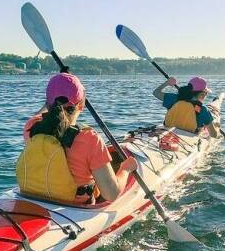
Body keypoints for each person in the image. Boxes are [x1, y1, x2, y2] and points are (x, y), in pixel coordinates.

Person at [17, 73, 137, 204]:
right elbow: (111, 194)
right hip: (76, 208)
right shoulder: (90, 139)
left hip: (34, 199)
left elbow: (40, 114)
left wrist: (53, 98)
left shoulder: (31, 127)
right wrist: (126, 168)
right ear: (82, 105)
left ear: (48, 103)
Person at [153, 76, 219, 136]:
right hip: (188, 138)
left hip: (167, 132)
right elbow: (213, 135)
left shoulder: (174, 99)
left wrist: (167, 83)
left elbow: (156, 93)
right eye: (206, 93)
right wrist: (217, 128)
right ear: (202, 94)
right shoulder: (202, 110)